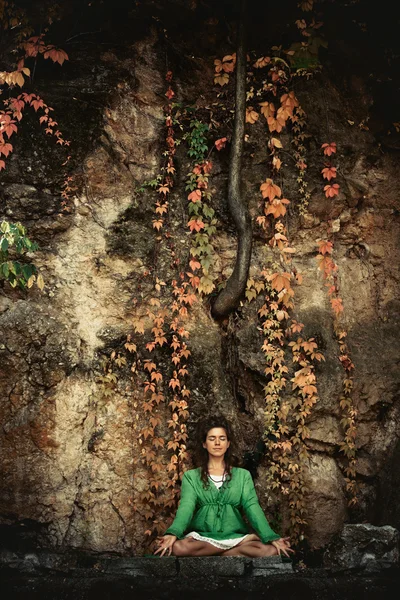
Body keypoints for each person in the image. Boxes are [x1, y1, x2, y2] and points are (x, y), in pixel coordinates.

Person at [154, 415, 294, 558]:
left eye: (222, 438)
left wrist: (270, 536)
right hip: (202, 538)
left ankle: (221, 550)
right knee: (179, 547)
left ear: (228, 444)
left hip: (234, 535)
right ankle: (231, 550)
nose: (217, 443)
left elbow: (252, 506)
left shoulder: (242, 475)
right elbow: (186, 507)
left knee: (271, 551)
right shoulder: (191, 477)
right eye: (212, 438)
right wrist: (173, 533)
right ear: (204, 444)